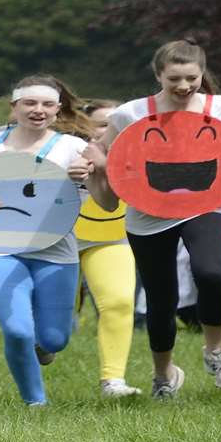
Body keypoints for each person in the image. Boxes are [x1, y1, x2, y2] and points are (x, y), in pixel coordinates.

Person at [97, 40, 221, 398]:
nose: (184, 86)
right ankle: (163, 375)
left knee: (211, 272)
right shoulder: (131, 113)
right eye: (174, 79)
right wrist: (91, 162)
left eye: (192, 77)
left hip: (205, 204)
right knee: (161, 299)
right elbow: (103, 150)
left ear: (202, 73)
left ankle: (216, 352)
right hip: (148, 213)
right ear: (158, 75)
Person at [0, 77, 98, 406]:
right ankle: (36, 403)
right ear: (14, 108)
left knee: (55, 339)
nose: (37, 110)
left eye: (46, 104)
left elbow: (101, 195)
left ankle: (44, 347)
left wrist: (85, 177)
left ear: (58, 110)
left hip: (56, 252)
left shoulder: (72, 147)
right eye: (29, 103)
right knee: (17, 331)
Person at [76, 99, 140, 398]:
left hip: (111, 236)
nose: (112, 132)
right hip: (56, 240)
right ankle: (46, 341)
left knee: (118, 302)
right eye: (103, 125)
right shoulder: (64, 150)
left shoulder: (139, 153)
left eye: (119, 126)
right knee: (57, 325)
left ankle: (112, 380)